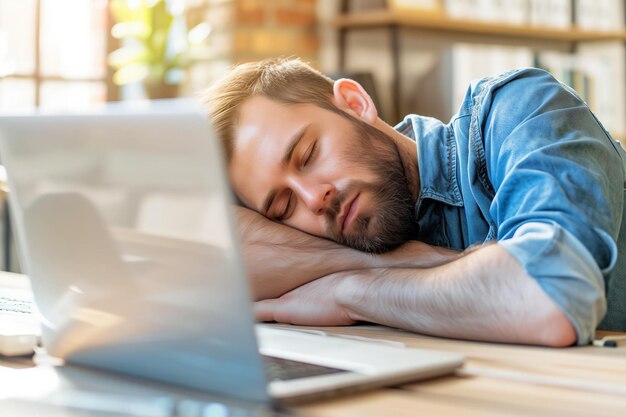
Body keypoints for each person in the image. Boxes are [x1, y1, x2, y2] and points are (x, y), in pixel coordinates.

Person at [203, 57, 626, 347]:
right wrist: (385, 265)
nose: (314, 198)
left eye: (309, 154)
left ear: (355, 103)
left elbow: (548, 297)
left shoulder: (517, 108)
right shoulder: (349, 239)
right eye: (282, 206)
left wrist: (349, 292)